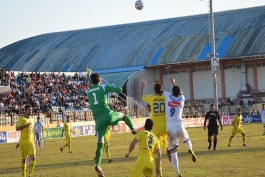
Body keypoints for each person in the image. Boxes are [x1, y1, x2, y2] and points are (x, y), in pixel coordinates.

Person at [87, 73, 136, 177]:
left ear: (92, 81)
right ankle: (132, 129)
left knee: (100, 145)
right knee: (124, 116)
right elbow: (119, 89)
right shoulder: (103, 87)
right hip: (108, 114)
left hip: (98, 120)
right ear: (100, 79)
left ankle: (98, 165)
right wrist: (113, 86)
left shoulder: (88, 91)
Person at [163, 78, 197, 177]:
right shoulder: (182, 99)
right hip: (179, 125)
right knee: (186, 139)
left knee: (173, 151)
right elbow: (180, 91)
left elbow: (159, 90)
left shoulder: (168, 96)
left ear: (172, 92)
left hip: (170, 128)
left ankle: (177, 172)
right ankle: (189, 148)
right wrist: (174, 83)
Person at [16, 104, 36, 177]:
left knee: (33, 158)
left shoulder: (32, 119)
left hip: (31, 142)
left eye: (31, 110)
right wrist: (25, 126)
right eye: (29, 110)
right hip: (23, 143)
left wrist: (34, 139)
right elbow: (17, 128)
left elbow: (32, 131)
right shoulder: (21, 119)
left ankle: (29, 175)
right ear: (25, 110)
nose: (30, 111)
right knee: (23, 160)